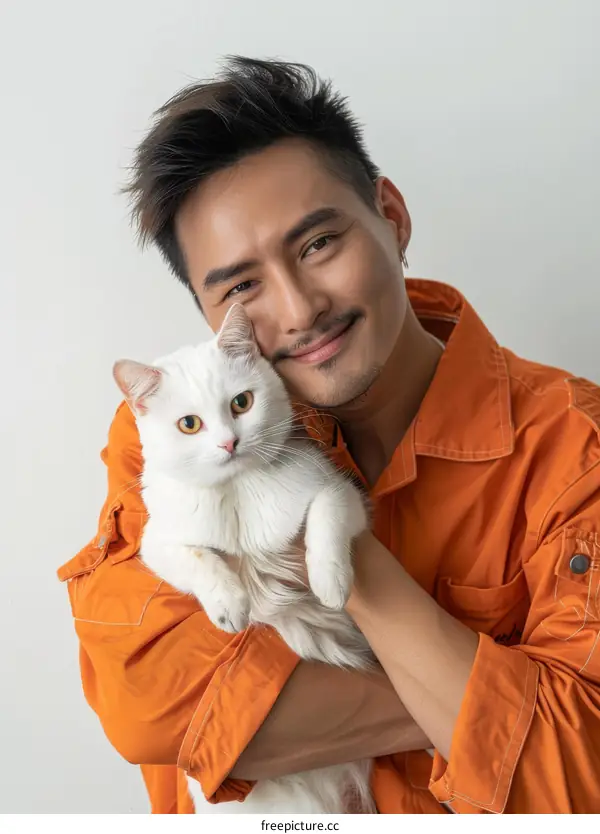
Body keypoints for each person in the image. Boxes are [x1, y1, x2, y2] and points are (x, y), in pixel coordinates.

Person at [59, 56, 600, 814]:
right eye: (241, 286)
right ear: (212, 317)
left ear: (394, 218)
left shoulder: (576, 450)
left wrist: (348, 556)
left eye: (317, 245)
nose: (299, 308)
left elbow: (578, 789)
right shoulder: (167, 434)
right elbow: (145, 707)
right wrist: (469, 705)